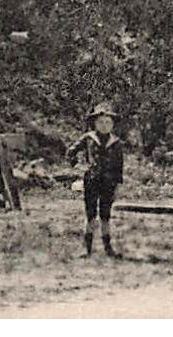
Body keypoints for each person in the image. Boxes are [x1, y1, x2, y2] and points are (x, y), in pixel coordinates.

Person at [67, 103, 125, 257]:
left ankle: (108, 248)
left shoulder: (116, 143)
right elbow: (71, 151)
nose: (104, 125)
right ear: (94, 123)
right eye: (100, 122)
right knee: (91, 215)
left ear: (112, 124)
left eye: (107, 122)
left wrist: (118, 185)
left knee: (105, 215)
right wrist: (76, 164)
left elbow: (119, 166)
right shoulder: (88, 138)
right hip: (92, 180)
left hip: (109, 182)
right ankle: (87, 249)